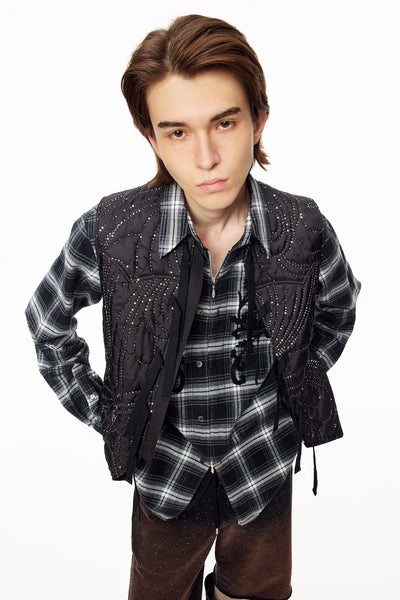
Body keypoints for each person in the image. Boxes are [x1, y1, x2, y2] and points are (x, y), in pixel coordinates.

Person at [26, 14, 361, 600]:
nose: (206, 157)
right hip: (166, 475)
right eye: (177, 132)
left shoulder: (301, 226)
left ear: (258, 120)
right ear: (152, 138)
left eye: (224, 123)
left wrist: (294, 383)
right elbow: (47, 322)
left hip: (262, 465)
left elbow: (338, 307)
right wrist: (111, 415)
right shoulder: (112, 229)